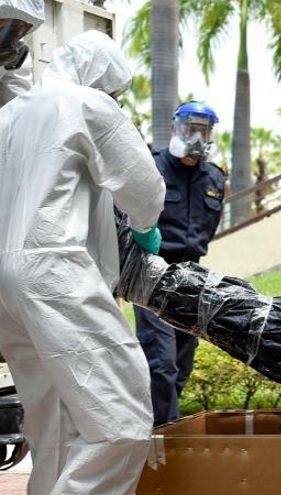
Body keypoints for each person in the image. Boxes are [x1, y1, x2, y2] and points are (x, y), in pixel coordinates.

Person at [0, 30, 165, 494]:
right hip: (54, 271)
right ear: (102, 81)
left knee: (55, 429)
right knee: (122, 421)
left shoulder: (10, 113)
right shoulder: (86, 103)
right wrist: (144, 224)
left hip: (6, 288)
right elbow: (143, 186)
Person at [135, 101, 225, 426]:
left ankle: (161, 425)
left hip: (193, 275)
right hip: (153, 272)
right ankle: (165, 437)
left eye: (203, 130)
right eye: (191, 128)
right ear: (176, 128)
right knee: (161, 361)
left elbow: (208, 229)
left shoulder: (215, 178)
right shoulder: (153, 167)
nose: (197, 136)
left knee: (183, 362)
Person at [0, 0, 44, 106]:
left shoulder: (14, 55)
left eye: (22, 27)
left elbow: (18, 101)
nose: (13, 34)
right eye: (6, 23)